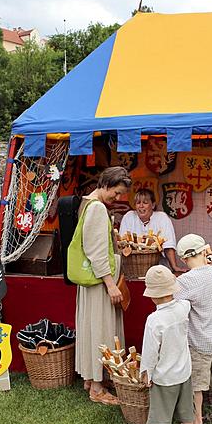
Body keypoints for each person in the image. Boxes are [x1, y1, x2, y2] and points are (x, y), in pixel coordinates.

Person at [74, 166, 132, 405]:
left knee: (93, 327)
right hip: (99, 281)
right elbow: (95, 251)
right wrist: (110, 284)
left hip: (94, 280)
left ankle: (93, 378)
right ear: (106, 184)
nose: (117, 198)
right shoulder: (97, 208)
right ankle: (97, 387)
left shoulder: (88, 203)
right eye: (116, 193)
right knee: (100, 329)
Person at [174, 234, 212, 424]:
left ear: (183, 259)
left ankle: (197, 422)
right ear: (204, 251)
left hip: (200, 340)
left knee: (197, 383)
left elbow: (171, 299)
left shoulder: (186, 280)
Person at [140, 265, 196, 424]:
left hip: (165, 375)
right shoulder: (183, 307)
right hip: (184, 370)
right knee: (187, 407)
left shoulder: (154, 320)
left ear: (153, 296)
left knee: (162, 410)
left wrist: (147, 373)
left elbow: (149, 352)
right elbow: (188, 300)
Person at [119, 189, 186, 271]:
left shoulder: (162, 217)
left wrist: (174, 267)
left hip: (158, 267)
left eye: (145, 203)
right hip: (133, 267)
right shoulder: (129, 216)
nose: (141, 206)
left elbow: (168, 245)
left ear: (153, 205)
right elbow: (122, 244)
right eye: (138, 203)